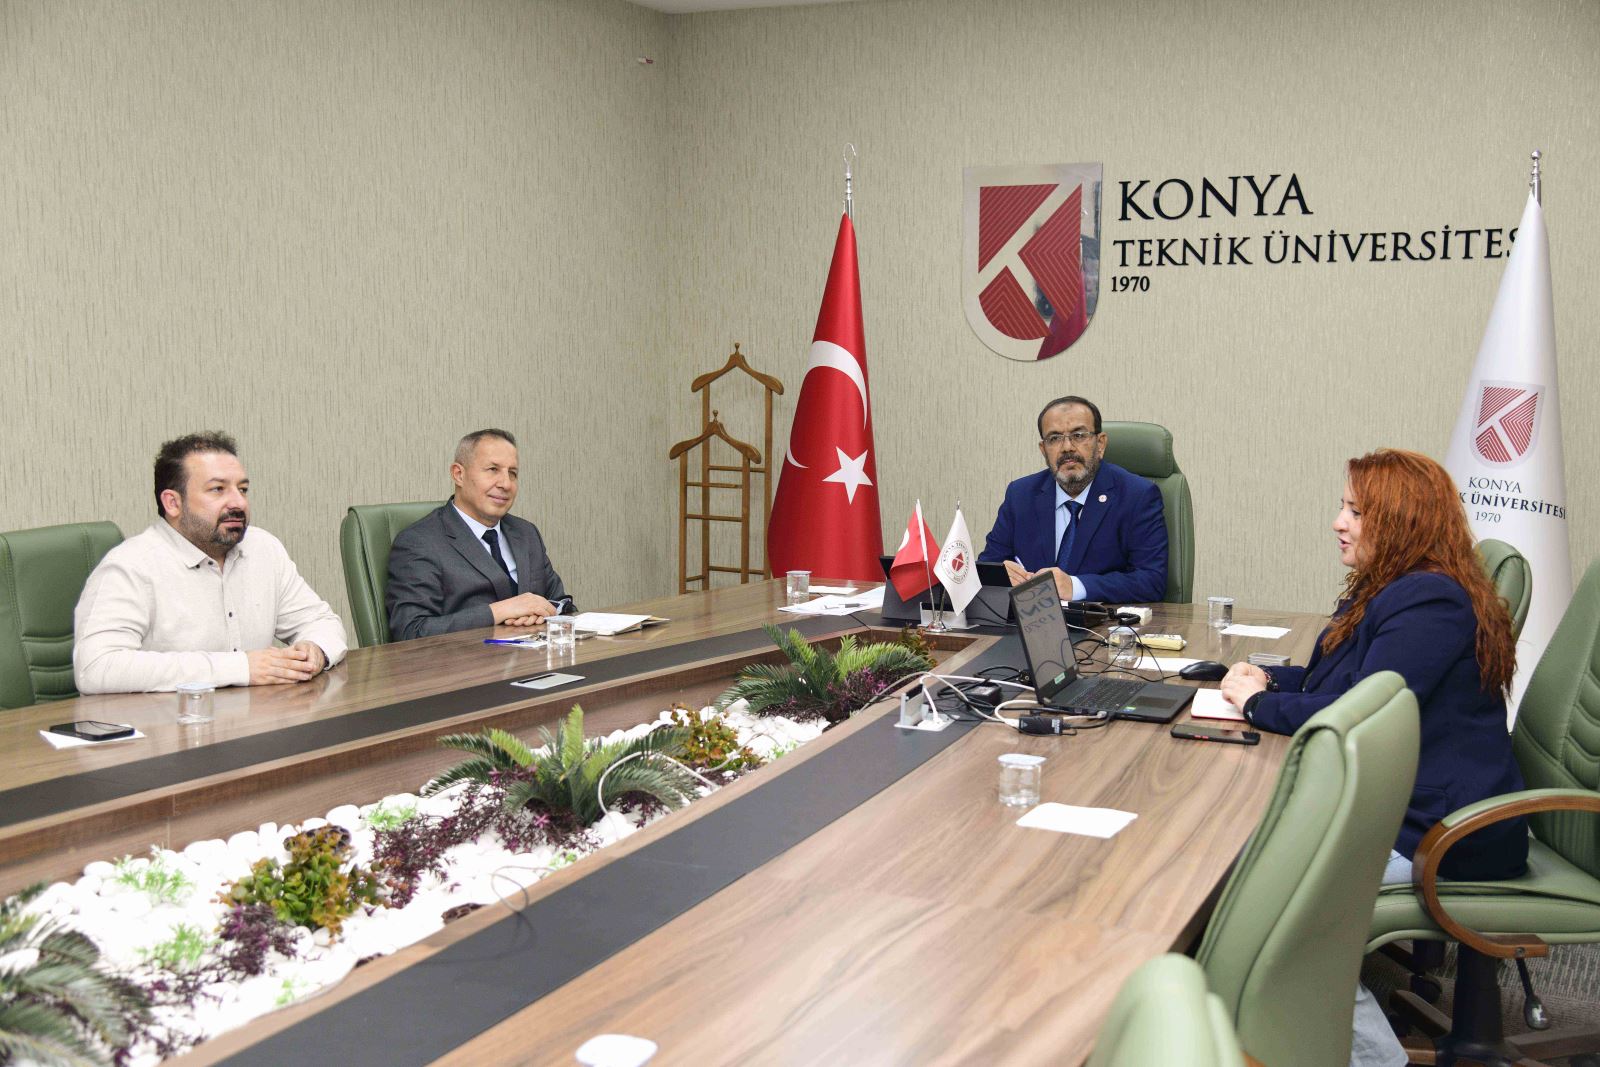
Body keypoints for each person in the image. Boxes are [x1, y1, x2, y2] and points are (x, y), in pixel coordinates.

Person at [1218, 448, 1527, 1067]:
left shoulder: (1430, 600)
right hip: (1404, 805)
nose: (1338, 522)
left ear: (1403, 524)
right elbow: (1343, 679)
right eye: (1344, 507)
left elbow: (1361, 710)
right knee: (1241, 881)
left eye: (1357, 512)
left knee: (1273, 920)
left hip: (1442, 831)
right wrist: (1270, 680)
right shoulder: (1394, 586)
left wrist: (1256, 706)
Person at [74, 432, 348, 694]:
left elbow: (321, 621)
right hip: (169, 723)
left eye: (243, 489)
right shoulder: (132, 565)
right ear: (173, 503)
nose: (238, 502)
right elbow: (95, 667)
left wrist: (314, 650)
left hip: (255, 718)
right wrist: (240, 668)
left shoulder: (264, 548)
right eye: (218, 489)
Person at [386, 428, 573, 641]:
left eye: (512, 473)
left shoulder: (526, 533)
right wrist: (500, 611)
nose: (506, 484)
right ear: (459, 474)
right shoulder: (419, 542)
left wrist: (544, 611)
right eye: (493, 469)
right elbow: (411, 630)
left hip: (536, 657)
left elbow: (563, 604)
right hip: (468, 660)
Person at [978, 395, 1168, 603]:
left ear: (1100, 443)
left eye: (1078, 435)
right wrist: (999, 574)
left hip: (1101, 620)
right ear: (1043, 450)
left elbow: (1152, 581)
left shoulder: (1137, 495)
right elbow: (986, 566)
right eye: (1054, 438)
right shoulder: (1021, 495)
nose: (1067, 447)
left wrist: (1076, 586)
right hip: (1033, 618)